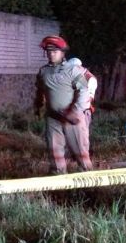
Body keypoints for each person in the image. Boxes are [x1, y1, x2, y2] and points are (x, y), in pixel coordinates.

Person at [34, 35, 93, 174]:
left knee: (81, 153)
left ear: (62, 53)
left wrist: (75, 110)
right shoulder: (43, 72)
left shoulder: (73, 70)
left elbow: (84, 90)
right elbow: (40, 91)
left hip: (72, 118)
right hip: (53, 118)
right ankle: (59, 183)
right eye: (48, 51)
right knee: (55, 153)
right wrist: (38, 106)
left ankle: (89, 183)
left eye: (54, 51)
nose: (51, 54)